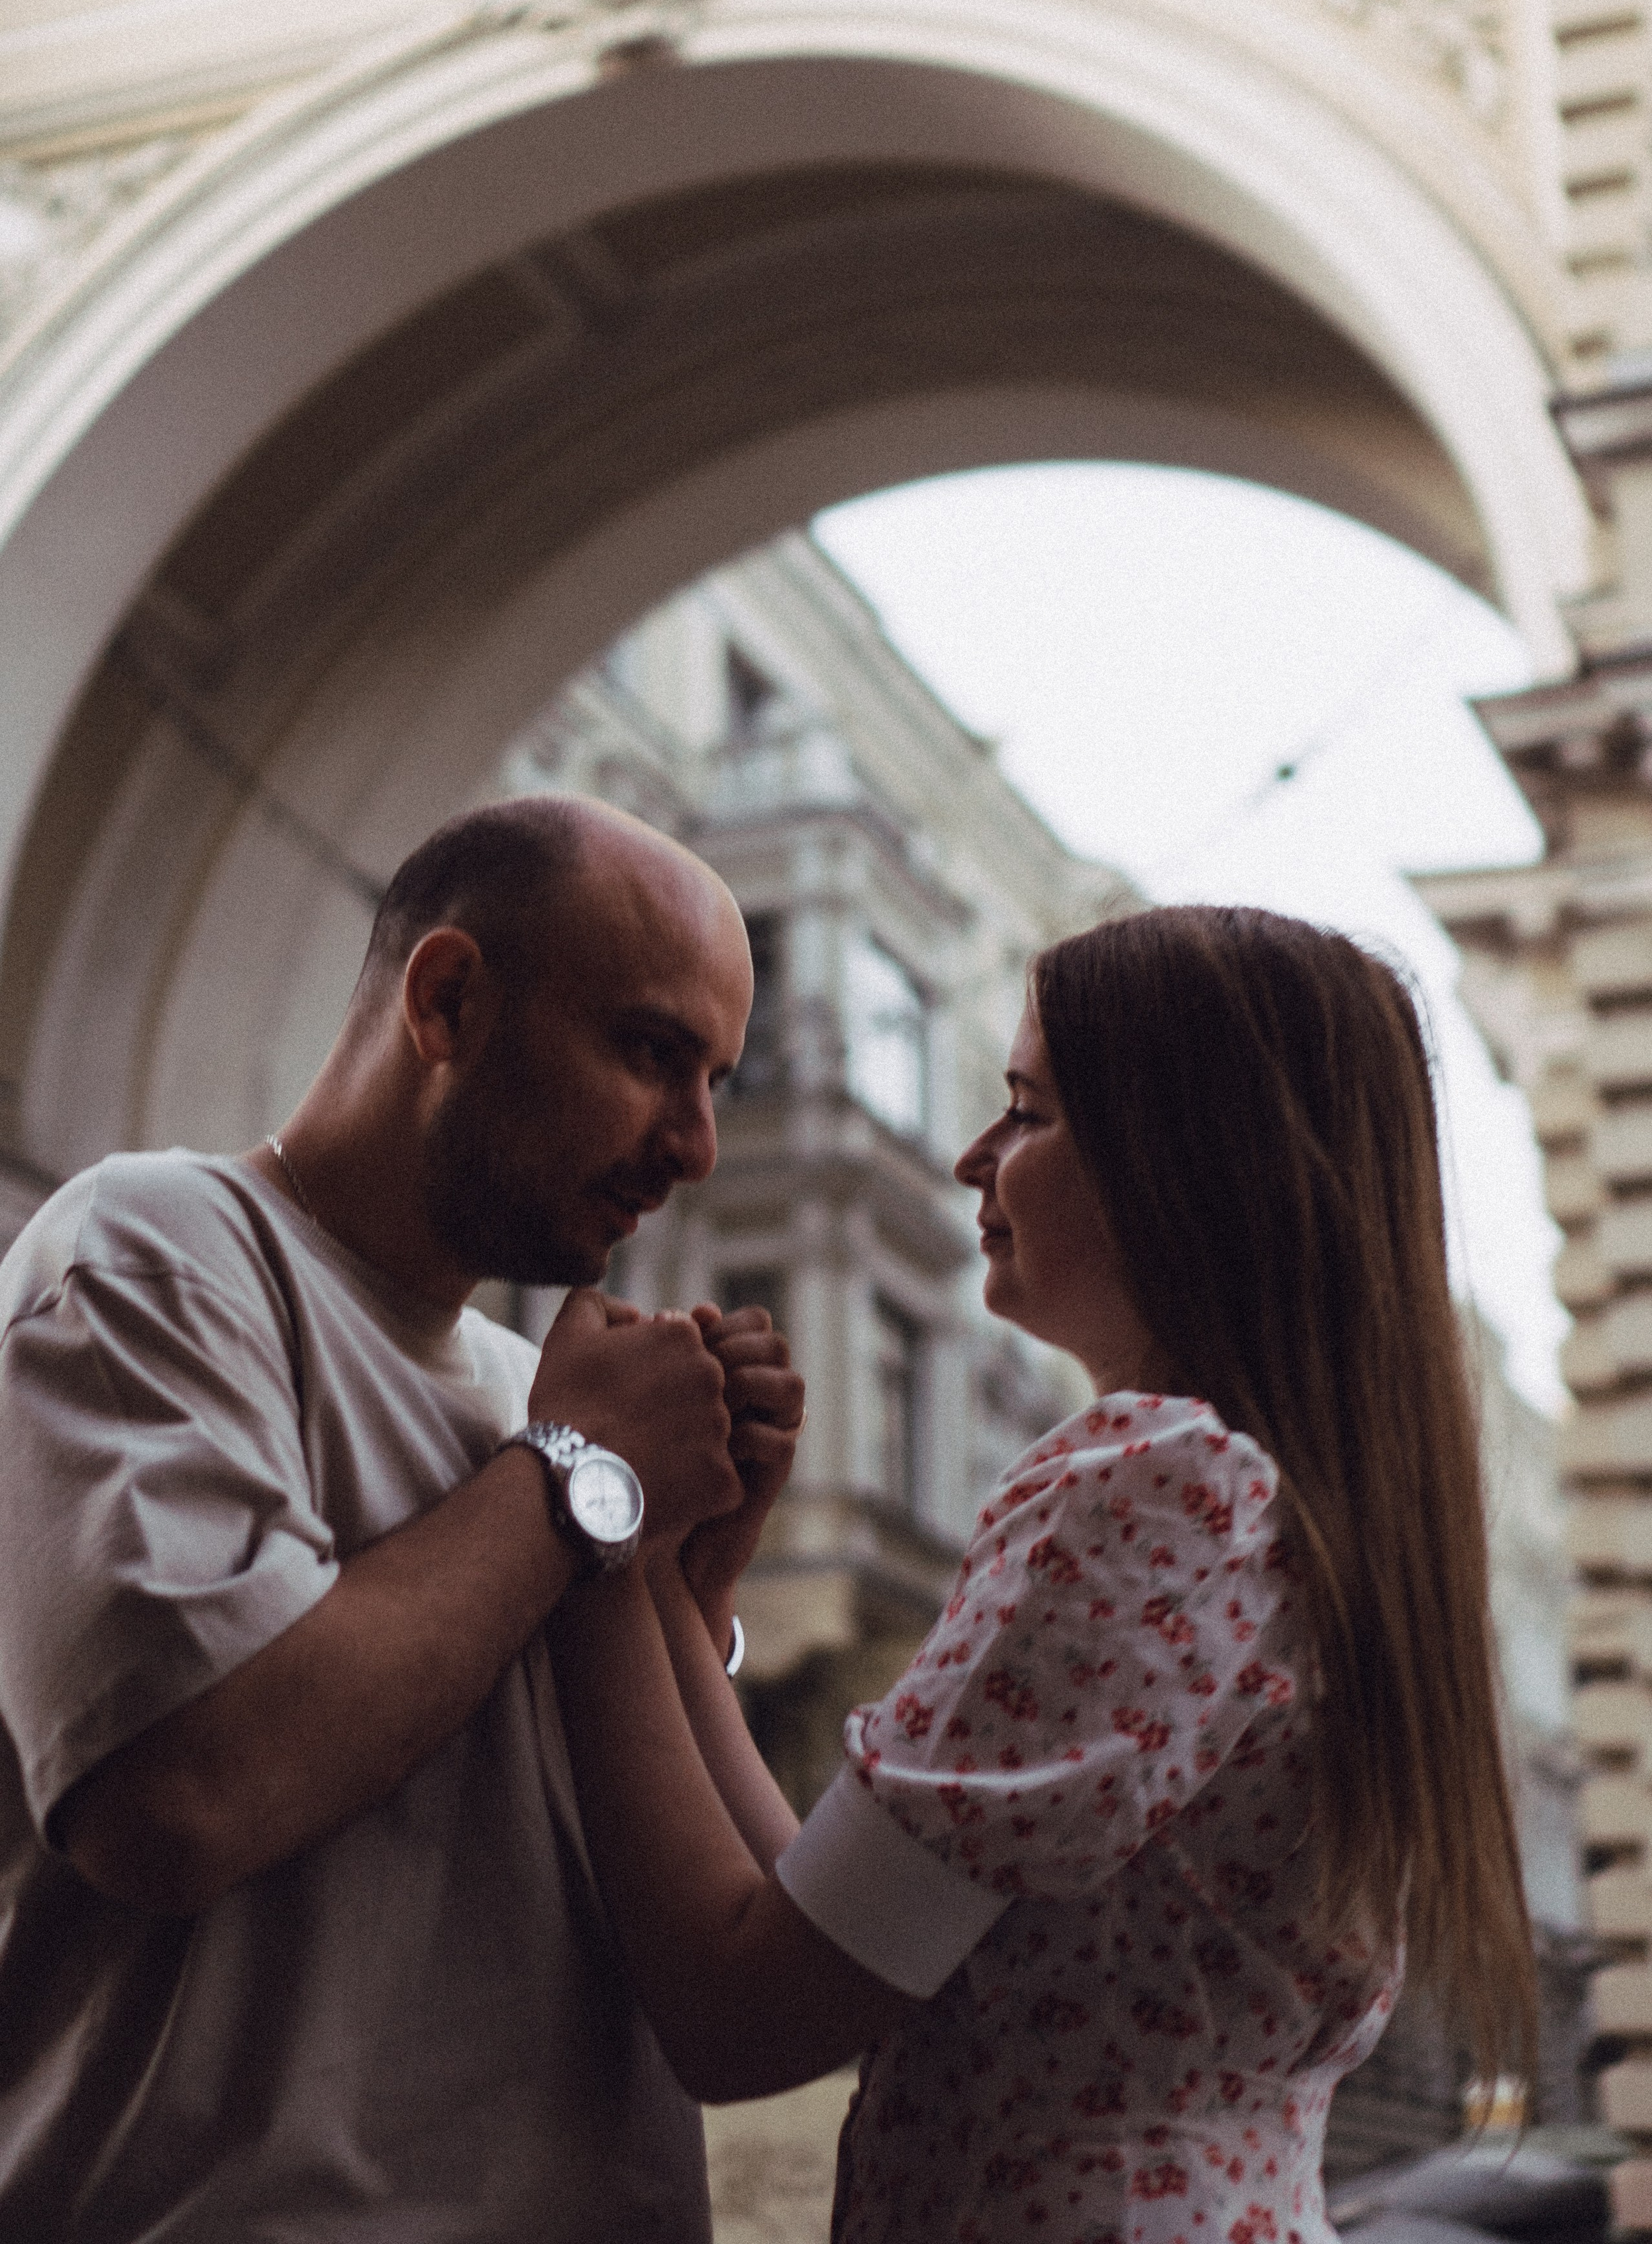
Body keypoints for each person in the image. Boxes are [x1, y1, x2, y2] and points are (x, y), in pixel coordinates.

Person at [554, 904, 1541, 2243]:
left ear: (1189, 1161)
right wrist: (674, 1594)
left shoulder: (1158, 1488)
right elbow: (842, 1932)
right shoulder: (1291, 1509)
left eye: (1027, 1113)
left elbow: (740, 2018)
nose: (974, 1158)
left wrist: (591, 1493)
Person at [0, 794, 805, 2241]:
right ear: (447, 1002)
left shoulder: (541, 1400)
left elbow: (714, 1944)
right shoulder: (156, 1250)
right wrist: (579, 1473)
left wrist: (687, 1581)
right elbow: (180, 1802)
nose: (694, 1143)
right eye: (648, 1053)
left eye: (715, 1082)